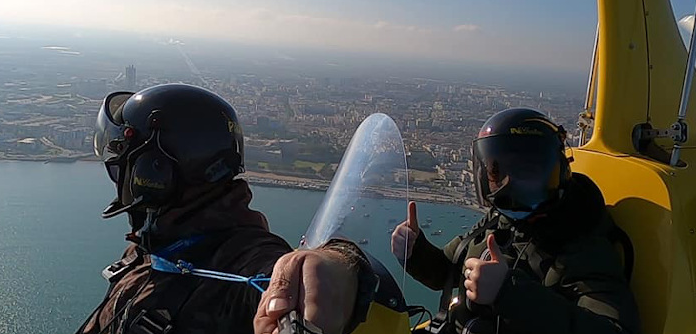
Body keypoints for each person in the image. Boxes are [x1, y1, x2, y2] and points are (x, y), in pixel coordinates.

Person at [78, 83, 374, 334]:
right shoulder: (154, 249)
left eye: (121, 169)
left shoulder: (236, 265)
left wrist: (334, 268)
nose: (118, 181)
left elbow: (274, 276)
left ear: (153, 175)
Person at [391, 107, 641, 334]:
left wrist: (508, 292)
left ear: (559, 172)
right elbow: (446, 270)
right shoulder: (499, 221)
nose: (508, 185)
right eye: (496, 171)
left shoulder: (581, 243)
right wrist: (415, 251)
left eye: (526, 171)